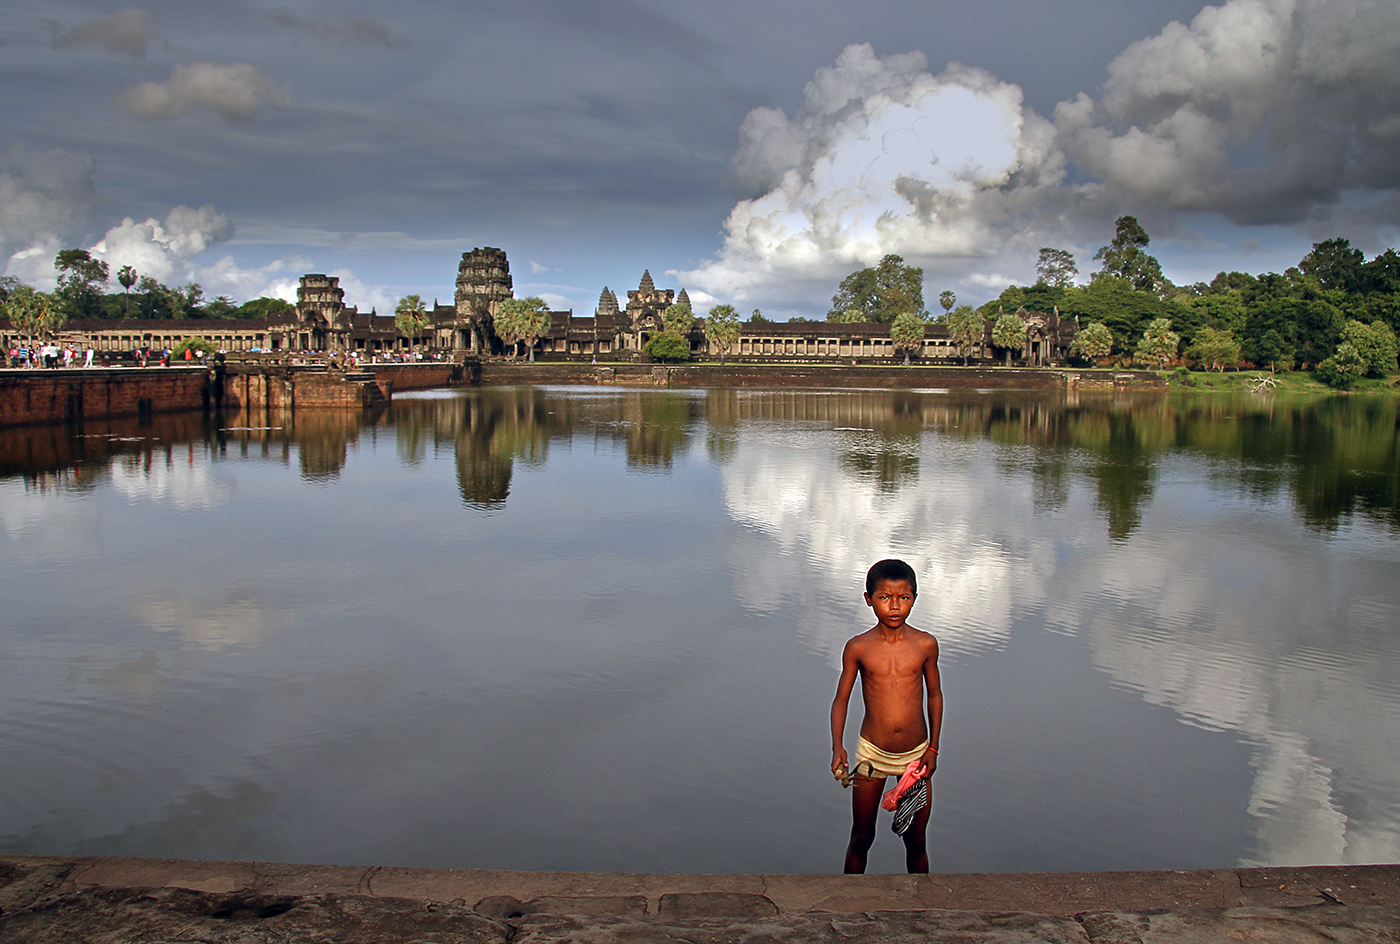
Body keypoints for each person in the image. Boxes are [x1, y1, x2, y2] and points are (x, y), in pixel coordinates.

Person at [830, 558, 942, 874]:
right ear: (869, 599)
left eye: (904, 598)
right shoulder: (858, 647)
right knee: (861, 836)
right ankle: (850, 907)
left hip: (916, 757)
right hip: (871, 755)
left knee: (916, 838)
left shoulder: (925, 645)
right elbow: (841, 699)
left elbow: (935, 695)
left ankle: (921, 912)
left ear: (914, 599)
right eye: (884, 598)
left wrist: (933, 748)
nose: (895, 607)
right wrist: (837, 746)